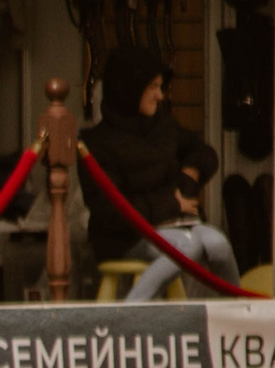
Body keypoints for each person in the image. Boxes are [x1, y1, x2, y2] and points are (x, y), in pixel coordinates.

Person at [81, 44, 238, 303]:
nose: (160, 96)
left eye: (160, 87)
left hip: (178, 223)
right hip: (126, 238)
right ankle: (130, 313)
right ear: (130, 89)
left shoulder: (162, 125)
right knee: (187, 247)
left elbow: (203, 152)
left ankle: (240, 316)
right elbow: (111, 212)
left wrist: (190, 175)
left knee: (218, 244)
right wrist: (172, 203)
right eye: (153, 87)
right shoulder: (98, 144)